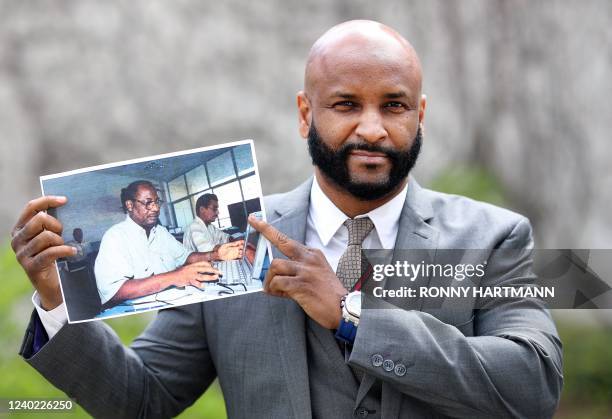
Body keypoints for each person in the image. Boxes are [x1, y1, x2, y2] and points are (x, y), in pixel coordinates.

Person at [11, 20, 562, 418]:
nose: (371, 129)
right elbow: (140, 399)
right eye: (346, 105)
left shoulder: (492, 238)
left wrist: (352, 315)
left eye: (393, 106)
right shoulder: (237, 240)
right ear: (306, 114)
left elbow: (533, 386)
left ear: (420, 115)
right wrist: (57, 304)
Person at [93, 180, 244, 307]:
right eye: (148, 203)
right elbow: (115, 291)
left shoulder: (160, 232)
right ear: (130, 205)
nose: (156, 208)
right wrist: (175, 276)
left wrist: (215, 255)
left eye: (157, 202)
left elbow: (186, 257)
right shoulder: (115, 237)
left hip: (174, 298)